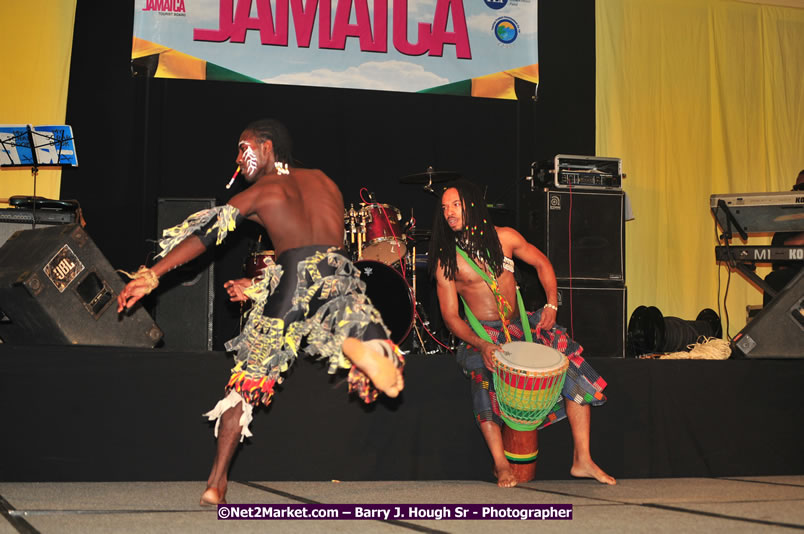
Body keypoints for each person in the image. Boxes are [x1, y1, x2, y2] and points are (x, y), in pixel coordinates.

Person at [117, 119, 404, 506]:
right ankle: (363, 344)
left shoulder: (263, 190)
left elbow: (208, 236)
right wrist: (257, 286)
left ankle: (216, 482)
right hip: (339, 276)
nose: (238, 159)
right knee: (347, 315)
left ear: (267, 147)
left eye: (243, 148)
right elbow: (315, 252)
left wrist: (152, 274)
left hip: (293, 280)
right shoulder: (325, 182)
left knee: (245, 385)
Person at [429, 180, 615, 488]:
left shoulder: (506, 238)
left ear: (473, 205)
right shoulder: (447, 260)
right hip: (481, 335)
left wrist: (552, 305)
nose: (449, 213)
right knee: (482, 379)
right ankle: (501, 465)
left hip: (521, 327)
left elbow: (542, 263)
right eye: (445, 207)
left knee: (572, 366)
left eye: (456, 205)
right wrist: (481, 344)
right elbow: (450, 317)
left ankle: (582, 458)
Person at [763, 170, 804, 306]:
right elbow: (778, 250)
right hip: (796, 276)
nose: (798, 192)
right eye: (796, 188)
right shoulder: (788, 221)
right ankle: (770, 326)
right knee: (774, 280)